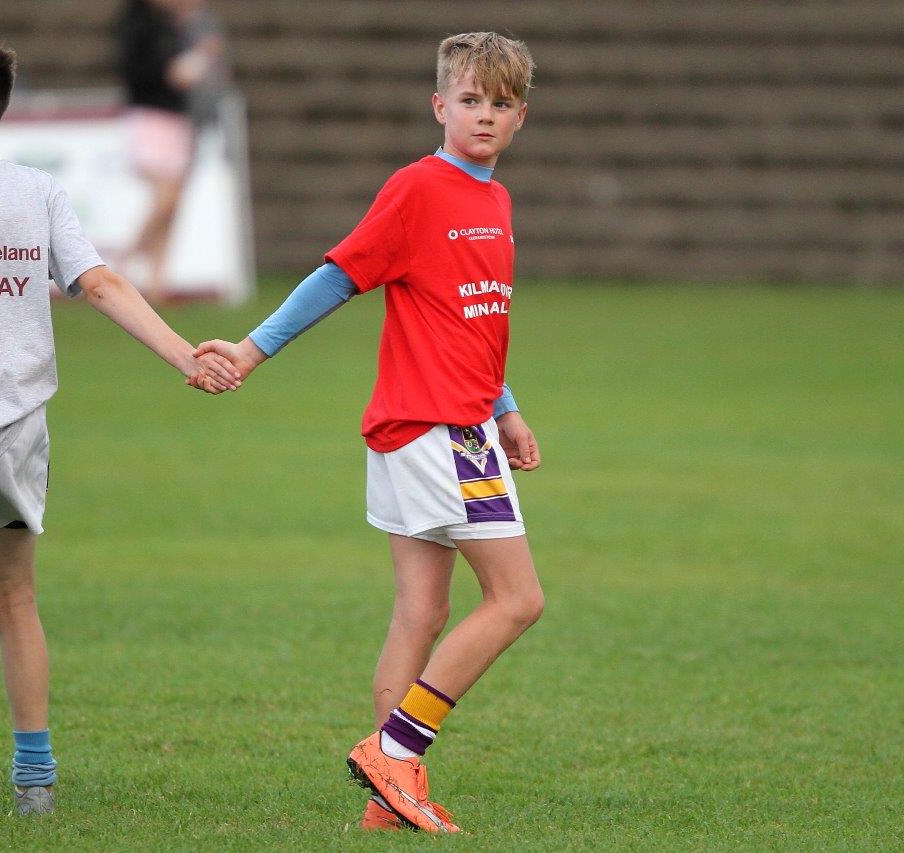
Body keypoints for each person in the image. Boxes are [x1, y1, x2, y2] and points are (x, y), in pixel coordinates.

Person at [0, 30, 239, 819]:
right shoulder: (36, 191)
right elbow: (99, 284)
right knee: (14, 598)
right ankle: (35, 777)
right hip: (19, 431)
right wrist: (182, 355)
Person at [193, 32, 543, 833]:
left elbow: (472, 320)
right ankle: (396, 748)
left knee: (421, 611)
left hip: (450, 422)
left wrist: (507, 407)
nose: (482, 116)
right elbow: (337, 276)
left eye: (498, 104)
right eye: (468, 101)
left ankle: (392, 795)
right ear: (438, 106)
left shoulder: (496, 200)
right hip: (437, 430)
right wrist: (250, 350)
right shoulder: (418, 188)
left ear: (520, 117)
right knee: (518, 599)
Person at [116, 0, 226, 302]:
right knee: (167, 196)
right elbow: (176, 74)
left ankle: (157, 282)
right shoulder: (149, 28)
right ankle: (126, 259)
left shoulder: (159, 27)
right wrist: (202, 56)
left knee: (172, 203)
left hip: (172, 119)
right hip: (155, 118)